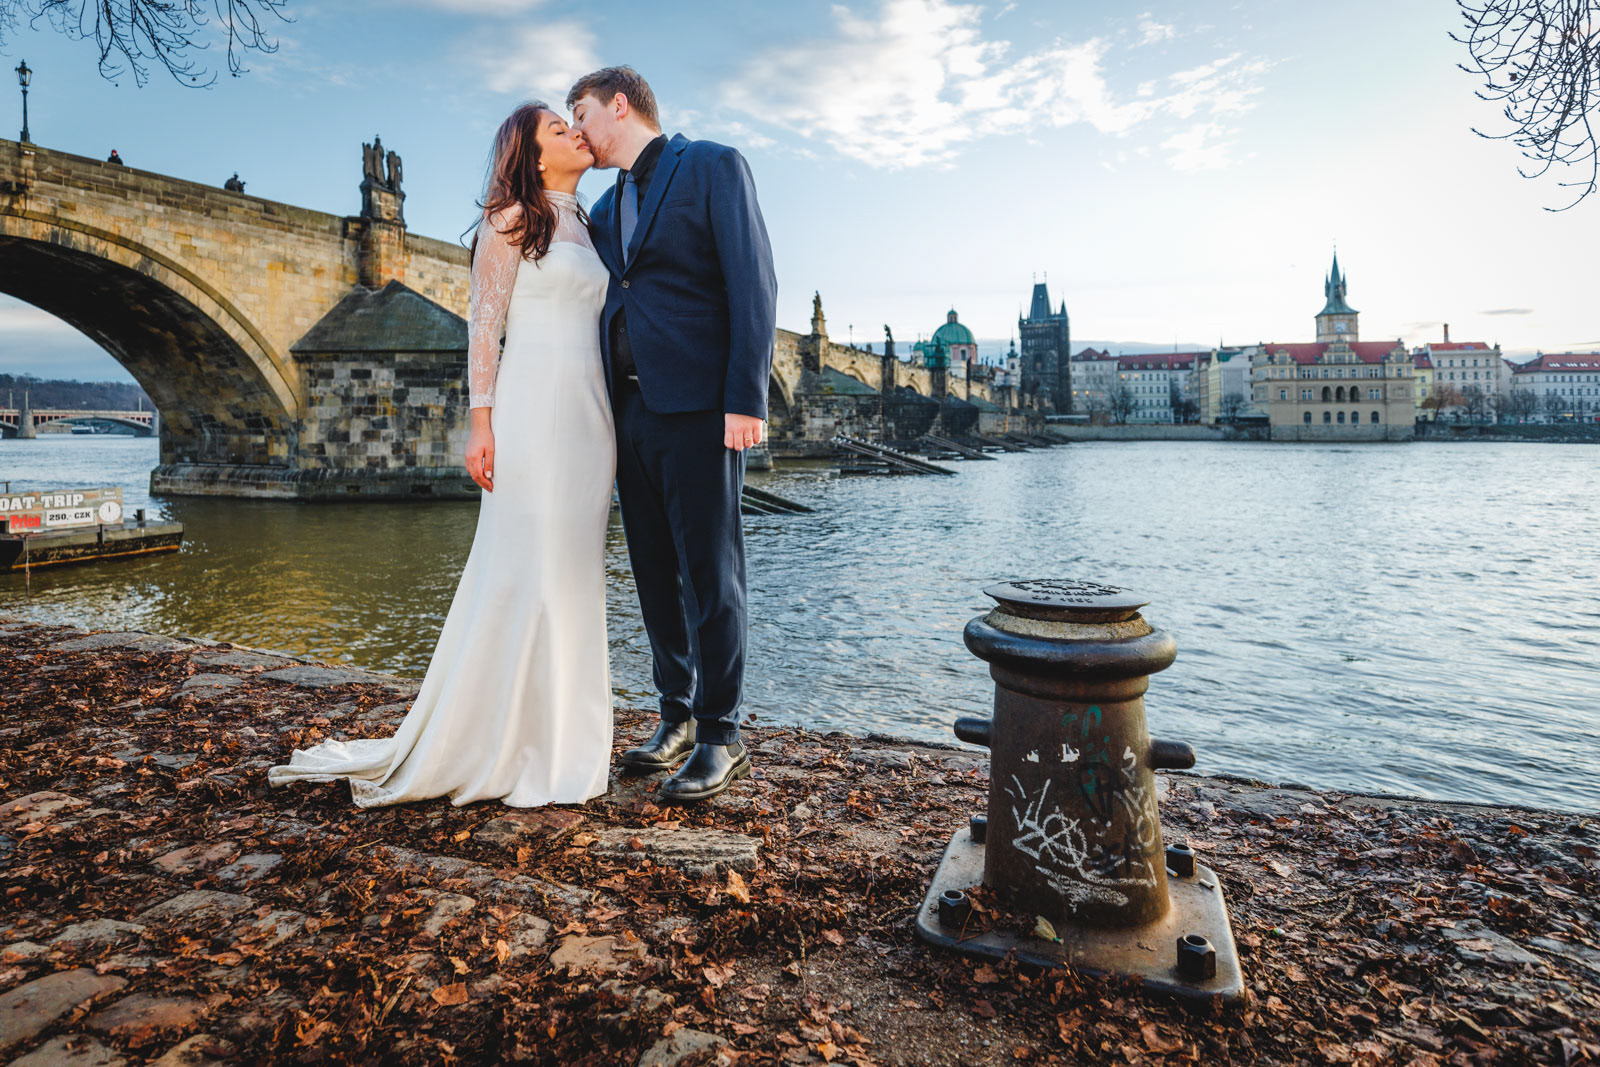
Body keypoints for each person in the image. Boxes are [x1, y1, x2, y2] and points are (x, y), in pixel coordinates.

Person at [267, 104, 616, 808]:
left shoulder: (589, 222)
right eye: (557, 129)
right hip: (532, 407)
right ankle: (506, 742)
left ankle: (567, 739)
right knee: (525, 566)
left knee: (576, 571)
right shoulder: (509, 220)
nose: (573, 132)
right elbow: (484, 329)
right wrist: (480, 425)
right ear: (532, 156)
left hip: (591, 414)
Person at [568, 67, 777, 803]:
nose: (577, 130)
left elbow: (753, 282)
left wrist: (745, 398)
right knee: (654, 572)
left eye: (581, 113)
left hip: (700, 410)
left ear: (619, 105)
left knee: (711, 574)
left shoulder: (713, 166)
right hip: (628, 412)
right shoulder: (604, 205)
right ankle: (677, 716)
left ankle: (722, 733)